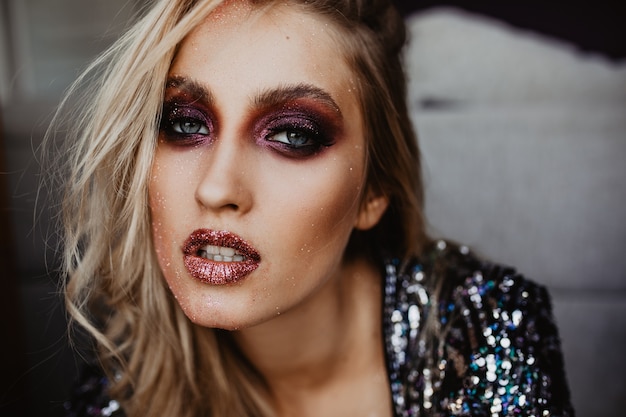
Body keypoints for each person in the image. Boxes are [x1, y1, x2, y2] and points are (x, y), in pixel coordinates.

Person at [50, 0, 575, 416]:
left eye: (293, 135)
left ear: (373, 192)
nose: (216, 188)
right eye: (186, 124)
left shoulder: (482, 333)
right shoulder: (125, 378)